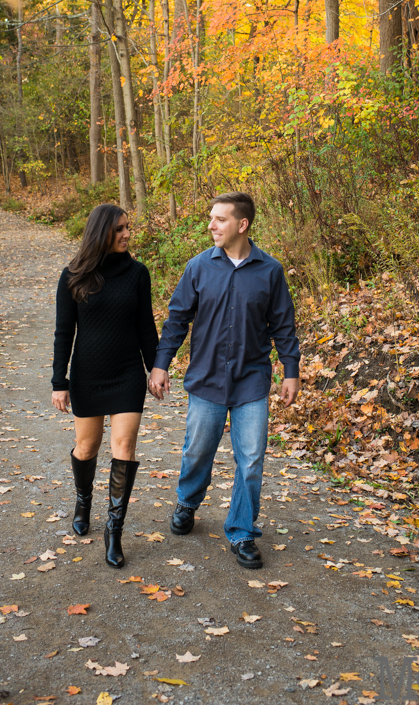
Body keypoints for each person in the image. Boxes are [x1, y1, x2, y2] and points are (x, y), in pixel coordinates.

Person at [149, 192, 300, 570]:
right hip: (207, 379)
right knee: (197, 450)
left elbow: (284, 326)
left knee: (251, 460)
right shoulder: (199, 268)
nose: (211, 226)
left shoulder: (270, 271)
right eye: (211, 218)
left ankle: (242, 531)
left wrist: (291, 370)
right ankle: (187, 501)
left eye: (219, 219)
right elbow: (176, 321)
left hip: (251, 380)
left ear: (242, 225)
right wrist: (161, 364)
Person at [51, 203, 158, 569]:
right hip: (88, 374)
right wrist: (58, 382)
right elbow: (64, 333)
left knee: (124, 445)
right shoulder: (73, 276)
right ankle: (83, 500)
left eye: (128, 227)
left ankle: (115, 530)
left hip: (127, 373)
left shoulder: (138, 274)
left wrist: (156, 368)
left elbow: (146, 327)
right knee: (86, 446)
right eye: (120, 230)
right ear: (101, 233)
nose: (127, 234)